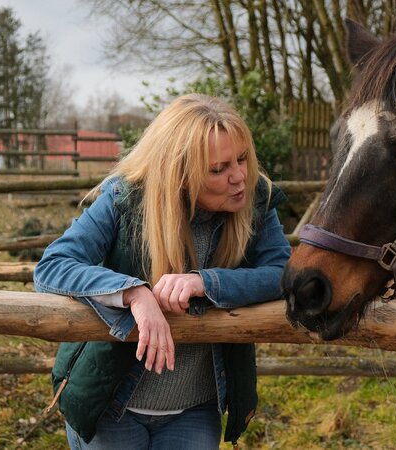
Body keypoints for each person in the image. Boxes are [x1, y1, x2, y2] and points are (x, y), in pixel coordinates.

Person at [34, 94, 291, 449]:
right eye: (218, 169)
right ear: (179, 174)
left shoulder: (257, 200)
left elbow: (282, 273)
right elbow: (53, 266)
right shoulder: (124, 197)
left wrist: (206, 281)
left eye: (242, 159)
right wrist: (133, 293)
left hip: (195, 410)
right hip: (109, 406)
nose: (239, 177)